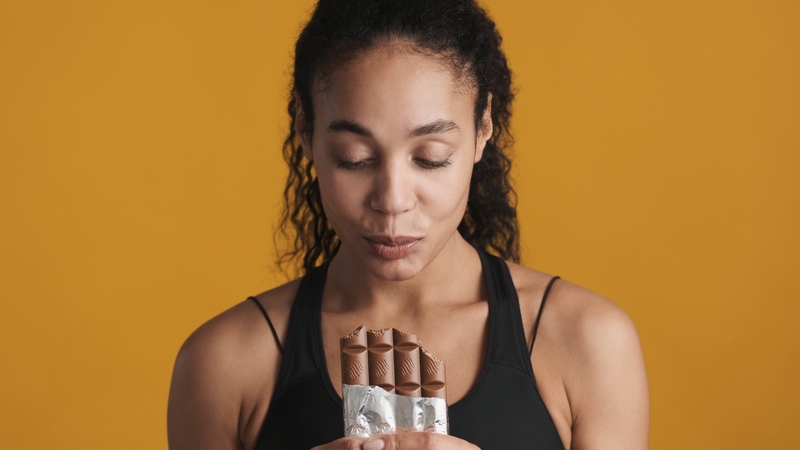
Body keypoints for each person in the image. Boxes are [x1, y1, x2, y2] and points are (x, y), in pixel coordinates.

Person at [167, 0, 649, 449]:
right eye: (353, 158)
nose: (392, 201)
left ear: (483, 129)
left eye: (430, 158)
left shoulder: (587, 342)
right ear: (305, 130)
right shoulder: (223, 364)